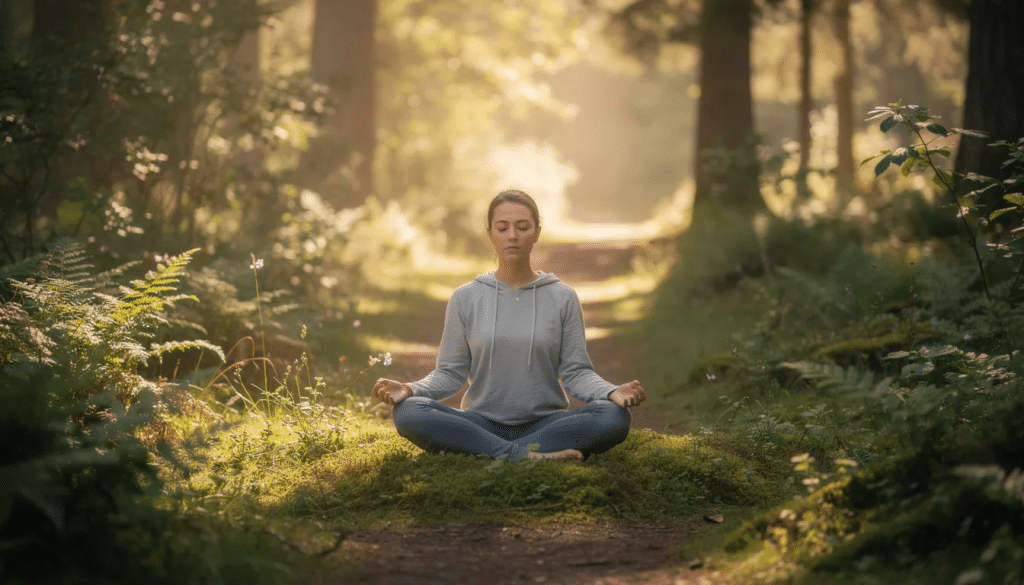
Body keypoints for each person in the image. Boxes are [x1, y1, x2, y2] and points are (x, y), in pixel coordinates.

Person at [371, 189, 646, 462]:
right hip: (481, 422)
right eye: (502, 228)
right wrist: (410, 389)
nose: (512, 236)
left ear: (536, 233)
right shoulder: (465, 297)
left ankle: (486, 451)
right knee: (409, 411)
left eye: (522, 227)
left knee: (613, 416)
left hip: (547, 424)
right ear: (490, 234)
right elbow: (450, 373)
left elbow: (576, 373)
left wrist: (611, 391)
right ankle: (525, 456)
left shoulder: (563, 297)